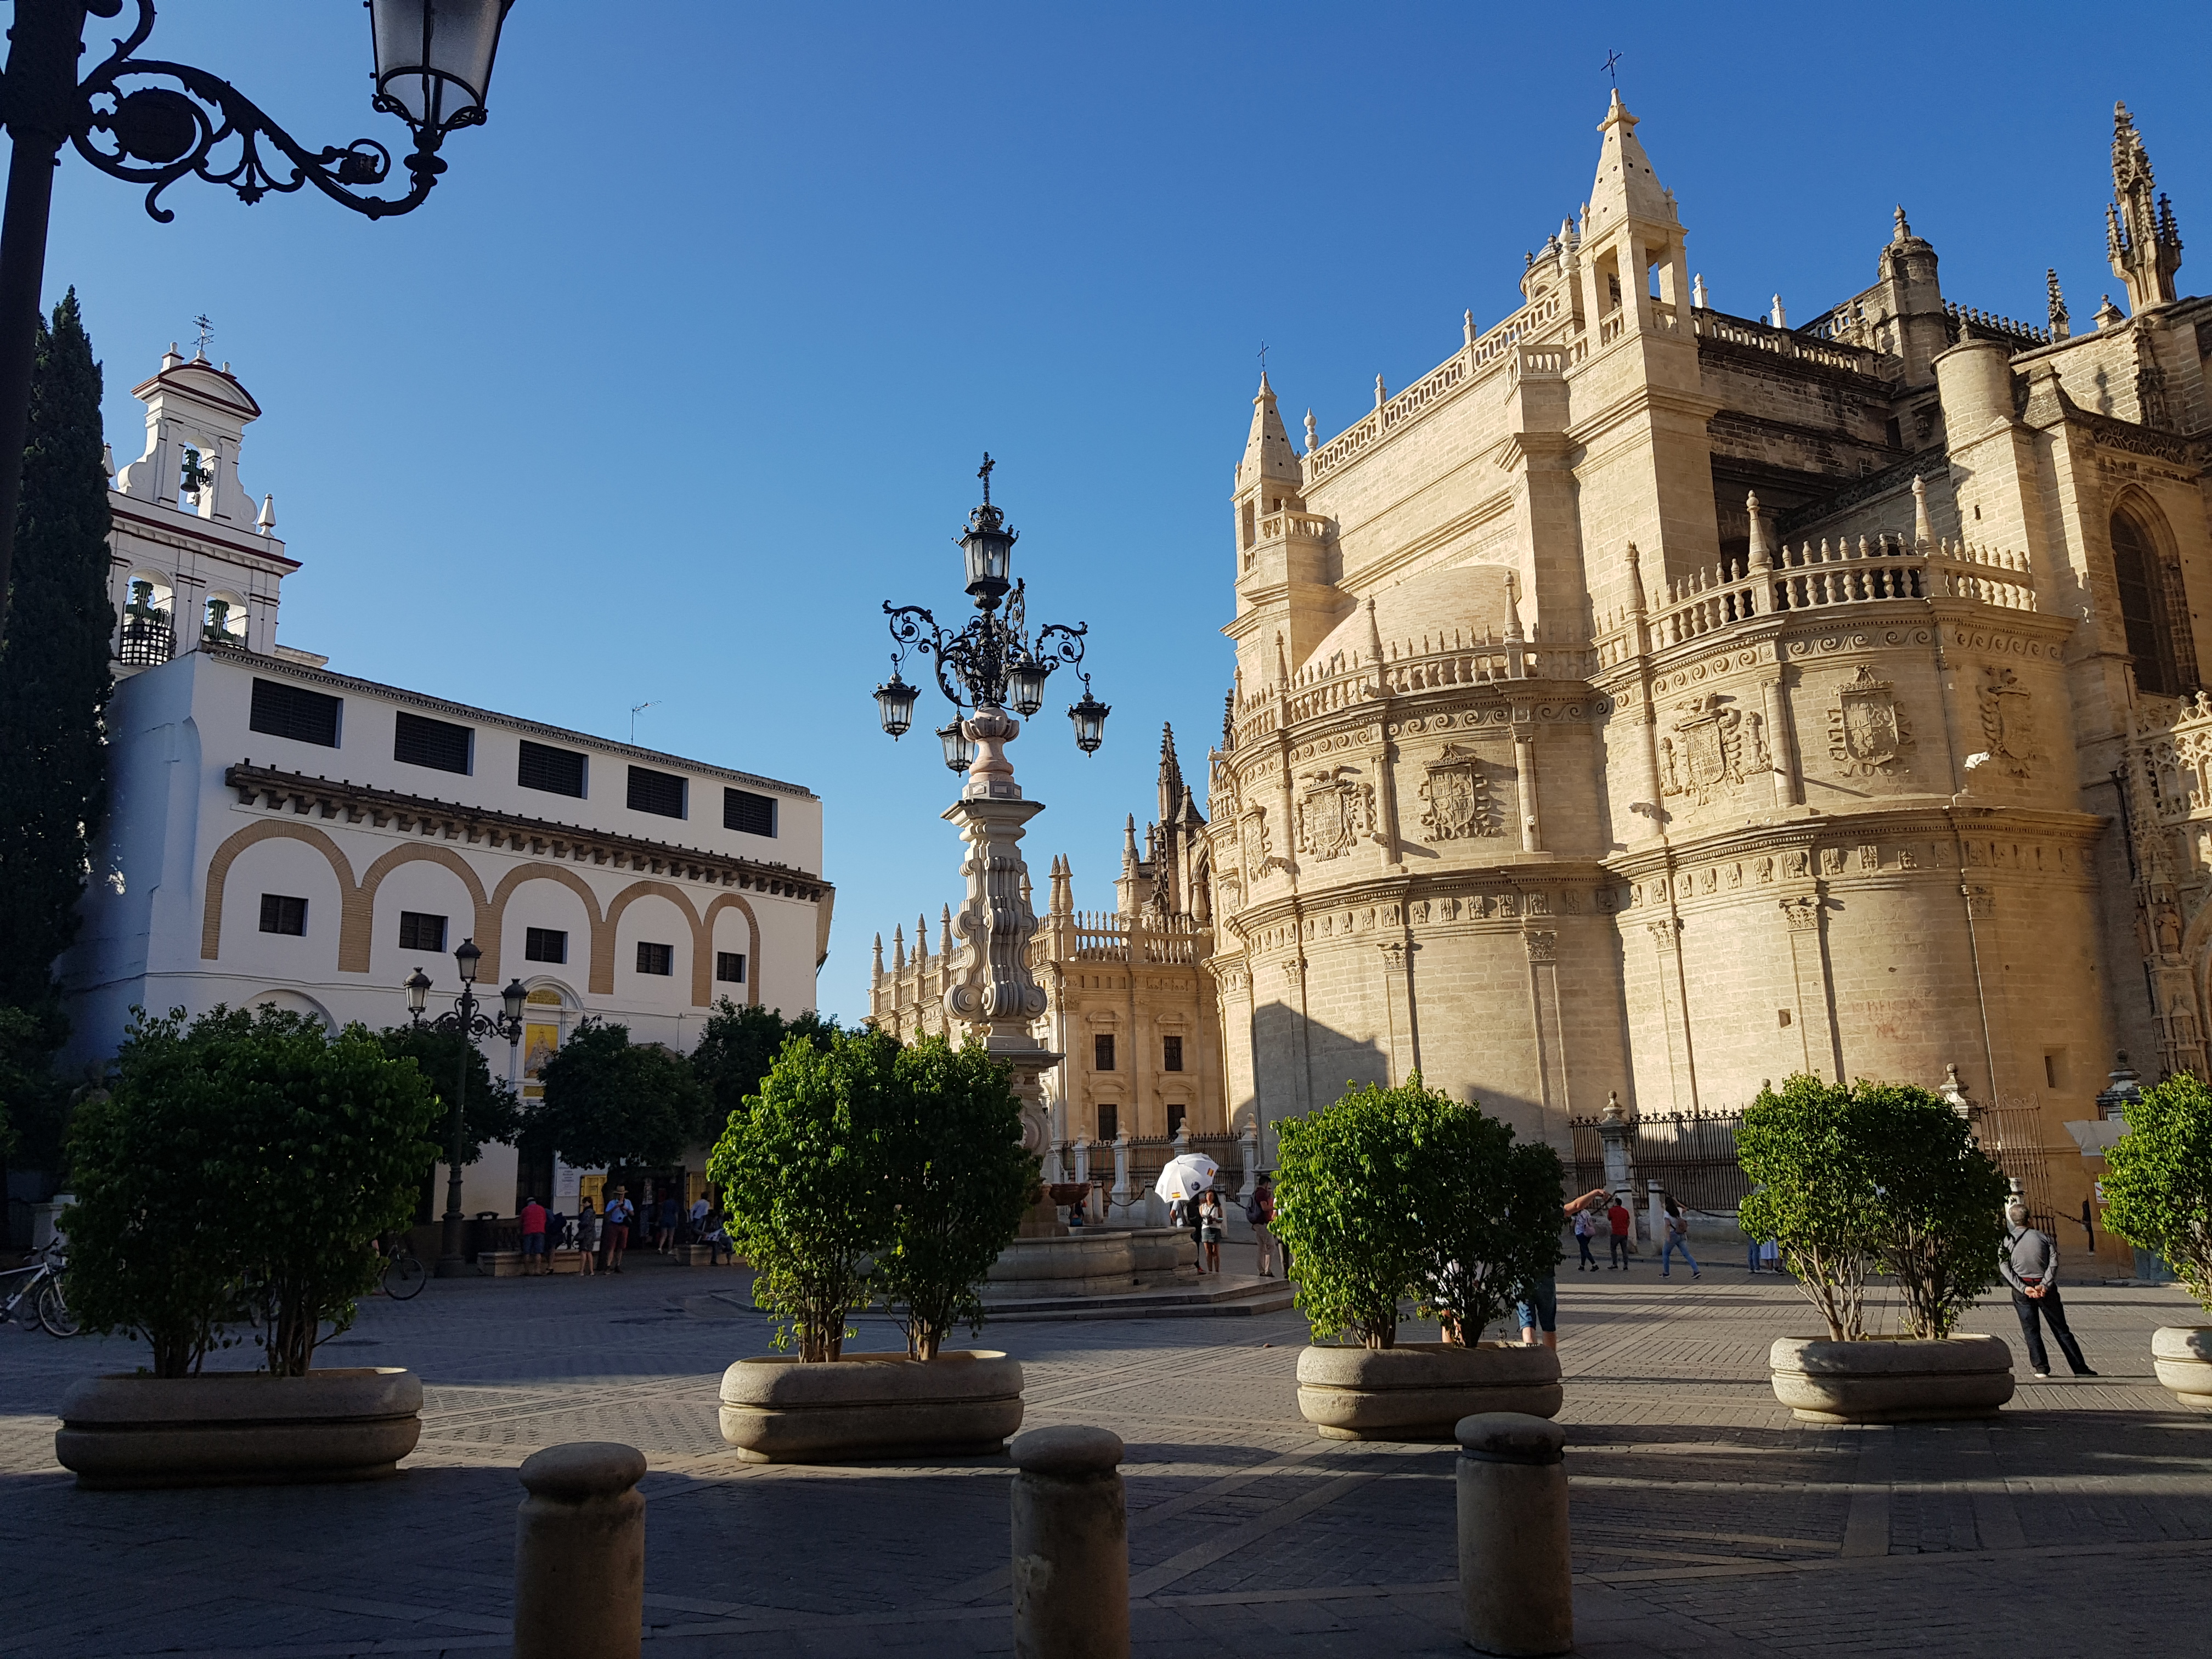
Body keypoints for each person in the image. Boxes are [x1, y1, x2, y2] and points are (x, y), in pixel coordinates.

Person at [2001, 1200, 2097, 1379]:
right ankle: (2080, 1368)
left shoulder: (2007, 1242)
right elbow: (2053, 1263)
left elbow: (2005, 1267)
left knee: (2031, 1330)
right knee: (2061, 1328)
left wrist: (2024, 1288)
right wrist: (2044, 1285)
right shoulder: (2044, 1238)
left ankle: (2041, 1368)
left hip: (2023, 1291)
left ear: (2013, 1221)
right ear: (2030, 1219)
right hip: (2046, 1289)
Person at [1517, 1191, 1609, 1350]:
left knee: (1527, 1323)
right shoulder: (1549, 1215)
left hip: (1522, 1272)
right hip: (1545, 1273)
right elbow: (1575, 1206)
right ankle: (1550, 1363)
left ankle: (1532, 1361)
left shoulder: (1514, 1218)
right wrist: (1595, 1193)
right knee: (1548, 1324)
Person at [1660, 1195, 1702, 1281]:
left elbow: (1667, 1225)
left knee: (1666, 1254)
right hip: (1682, 1234)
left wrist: (1667, 1237)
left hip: (1672, 1234)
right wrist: (1677, 1202)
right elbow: (1686, 1208)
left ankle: (1666, 1273)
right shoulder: (1678, 1210)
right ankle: (1696, 1271)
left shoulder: (1667, 1213)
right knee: (1687, 1254)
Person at [1249, 1175, 1278, 1278]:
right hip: (1262, 1224)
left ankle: (1261, 1270)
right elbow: (1264, 1208)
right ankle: (1267, 1271)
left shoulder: (1257, 1192)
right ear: (1266, 1184)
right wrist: (1276, 1207)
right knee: (1271, 1247)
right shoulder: (1261, 1193)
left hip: (1257, 1223)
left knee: (1261, 1247)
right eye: (1268, 1184)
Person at [602, 1186, 634, 1273]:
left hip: (624, 1225)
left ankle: (618, 1265)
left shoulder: (628, 1202)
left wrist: (626, 1208)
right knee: (611, 1246)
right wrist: (615, 1208)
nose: (621, 1196)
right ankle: (608, 1265)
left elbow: (632, 1213)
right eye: (620, 1195)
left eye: (622, 1194)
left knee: (621, 1246)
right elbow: (607, 1214)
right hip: (614, 1225)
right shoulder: (612, 1203)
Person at [1198, 1187, 1224, 1275]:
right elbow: (1201, 1216)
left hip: (1215, 1228)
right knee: (1208, 1251)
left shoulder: (1217, 1207)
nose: (1209, 1197)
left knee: (1215, 1250)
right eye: (1208, 1195)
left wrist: (1216, 1219)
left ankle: (1217, 1270)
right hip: (1205, 1228)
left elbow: (1221, 1218)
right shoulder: (1202, 1207)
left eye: (1211, 1195)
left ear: (1214, 1197)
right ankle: (1210, 1270)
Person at [520, 1195, 548, 1276]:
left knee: (527, 1252)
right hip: (540, 1231)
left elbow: (521, 1221)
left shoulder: (525, 1210)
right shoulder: (542, 1209)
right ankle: (537, 1270)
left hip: (528, 1231)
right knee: (538, 1252)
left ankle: (527, 1270)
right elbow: (544, 1220)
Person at [1606, 1195, 1633, 1269]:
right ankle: (1625, 1265)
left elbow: (1609, 1218)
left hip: (1616, 1232)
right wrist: (1625, 1228)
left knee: (1613, 1248)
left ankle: (1615, 1264)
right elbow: (1628, 1221)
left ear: (1615, 1203)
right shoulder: (1625, 1211)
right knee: (1624, 1249)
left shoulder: (1611, 1210)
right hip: (1624, 1232)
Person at [574, 1197, 599, 1278]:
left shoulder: (587, 1212)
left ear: (589, 1203)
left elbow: (584, 1223)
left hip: (586, 1234)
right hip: (592, 1234)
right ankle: (591, 1271)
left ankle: (581, 1271)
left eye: (585, 1203)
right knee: (589, 1252)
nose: (584, 1204)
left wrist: (579, 1225)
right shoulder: (593, 1212)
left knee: (583, 1252)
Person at [1572, 1201, 1599, 1272]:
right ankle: (1582, 1265)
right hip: (1587, 1232)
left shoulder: (1575, 1214)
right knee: (1583, 1248)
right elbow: (1590, 1221)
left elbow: (1572, 1224)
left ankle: (1594, 1264)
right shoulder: (1586, 1212)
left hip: (1580, 1233)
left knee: (1585, 1249)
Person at [658, 1191, 681, 1256]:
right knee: (671, 1236)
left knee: (664, 1235)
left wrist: (659, 1219)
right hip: (672, 1219)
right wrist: (677, 1222)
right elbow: (676, 1214)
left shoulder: (664, 1203)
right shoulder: (675, 1203)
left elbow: (661, 1212)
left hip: (664, 1218)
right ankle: (669, 1250)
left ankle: (660, 1247)